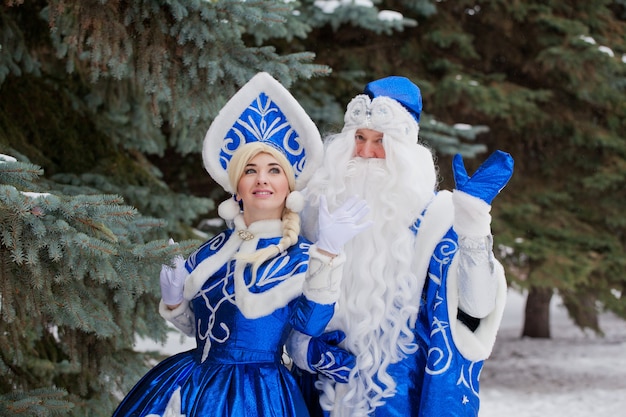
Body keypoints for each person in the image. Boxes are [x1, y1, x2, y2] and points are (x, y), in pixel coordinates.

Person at [112, 73, 371, 417]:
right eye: (250, 169)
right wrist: (175, 302)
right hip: (188, 385)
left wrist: (328, 254)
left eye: (274, 170)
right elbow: (199, 329)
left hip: (258, 394)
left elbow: (309, 327)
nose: (262, 178)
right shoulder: (213, 249)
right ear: (237, 186)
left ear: (289, 187)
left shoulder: (301, 255)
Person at [286, 76, 514, 417]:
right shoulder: (314, 213)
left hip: (401, 396)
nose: (365, 153)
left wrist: (473, 228)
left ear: (404, 152)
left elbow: (476, 308)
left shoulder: (436, 220)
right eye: (359, 139)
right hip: (317, 392)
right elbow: (277, 299)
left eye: (380, 141)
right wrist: (301, 346)